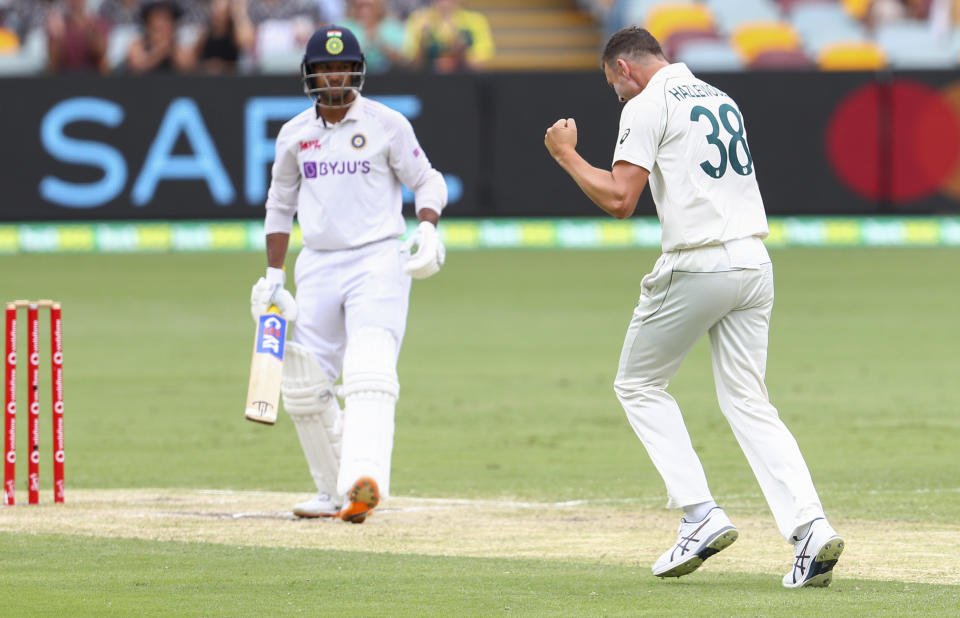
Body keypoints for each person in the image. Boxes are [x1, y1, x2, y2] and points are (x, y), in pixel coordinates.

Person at [543, 26, 844, 588]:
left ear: (625, 69)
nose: (619, 97)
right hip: (754, 262)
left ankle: (699, 515)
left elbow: (618, 197)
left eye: (615, 86)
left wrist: (566, 155)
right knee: (749, 401)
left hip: (699, 261)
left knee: (637, 384)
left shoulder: (646, 102)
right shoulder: (717, 96)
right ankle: (810, 528)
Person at [249, 24, 447, 523]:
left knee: (370, 368)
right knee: (303, 382)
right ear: (310, 74)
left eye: (342, 66)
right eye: (324, 67)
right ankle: (333, 491)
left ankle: (365, 479)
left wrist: (427, 227)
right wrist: (273, 275)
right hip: (316, 262)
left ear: (355, 69)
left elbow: (426, 179)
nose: (334, 75)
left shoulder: (386, 124)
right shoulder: (294, 134)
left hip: (377, 259)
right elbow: (279, 206)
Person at [403, 0, 493, 73]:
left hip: (464, 82)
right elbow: (411, 64)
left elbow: (479, 64)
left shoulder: (476, 21)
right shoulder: (417, 19)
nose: (445, 3)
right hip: (427, 81)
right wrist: (422, 44)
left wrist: (461, 52)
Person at [126, 0, 193, 73]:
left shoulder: (178, 45)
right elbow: (137, 66)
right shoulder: (138, 44)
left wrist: (170, 46)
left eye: (166, 19)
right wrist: (160, 50)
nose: (160, 24)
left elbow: (187, 65)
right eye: (156, 18)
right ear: (147, 22)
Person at [341, 0, 406, 74]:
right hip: (355, 77)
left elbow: (402, 60)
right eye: (360, 6)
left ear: (379, 7)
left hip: (389, 77)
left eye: (369, 6)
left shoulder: (392, 25)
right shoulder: (344, 27)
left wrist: (379, 42)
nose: (365, 11)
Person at [192, 0, 255, 73]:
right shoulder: (204, 33)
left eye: (221, 8)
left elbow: (246, 43)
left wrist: (238, 14)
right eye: (215, 7)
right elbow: (191, 61)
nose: (217, 12)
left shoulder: (235, 33)